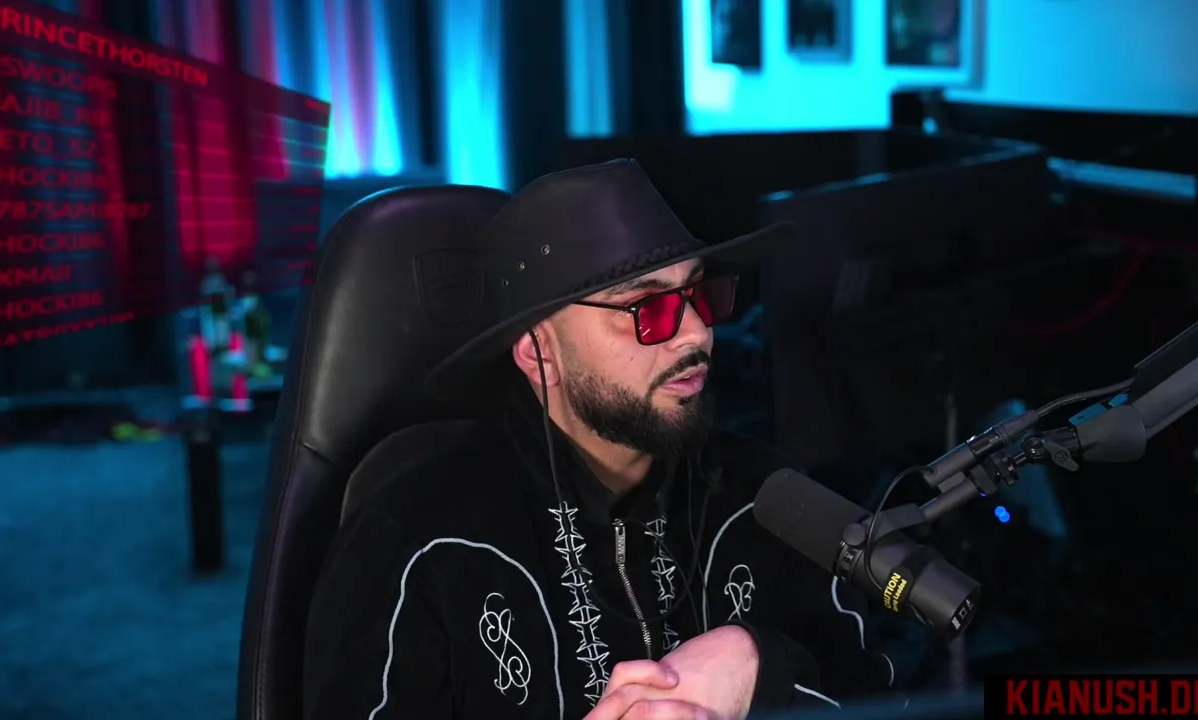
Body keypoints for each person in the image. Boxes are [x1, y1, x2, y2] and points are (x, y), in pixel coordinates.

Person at [303, 160, 900, 719]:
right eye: (646, 308)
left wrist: (757, 669)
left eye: (700, 295)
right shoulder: (419, 541)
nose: (697, 334)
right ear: (540, 354)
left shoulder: (767, 502)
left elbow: (886, 696)